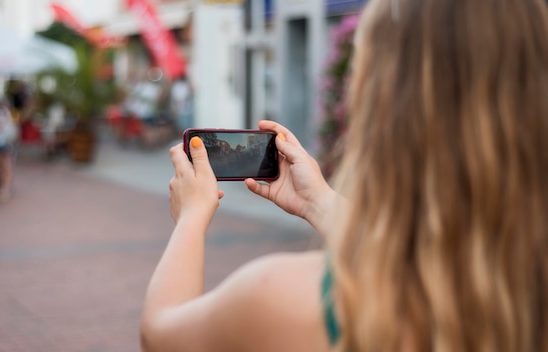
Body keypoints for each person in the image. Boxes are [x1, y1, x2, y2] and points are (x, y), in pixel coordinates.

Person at [140, 0, 548, 351]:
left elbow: (160, 336)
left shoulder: (287, 299)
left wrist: (192, 216)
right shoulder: (521, 292)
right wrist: (319, 201)